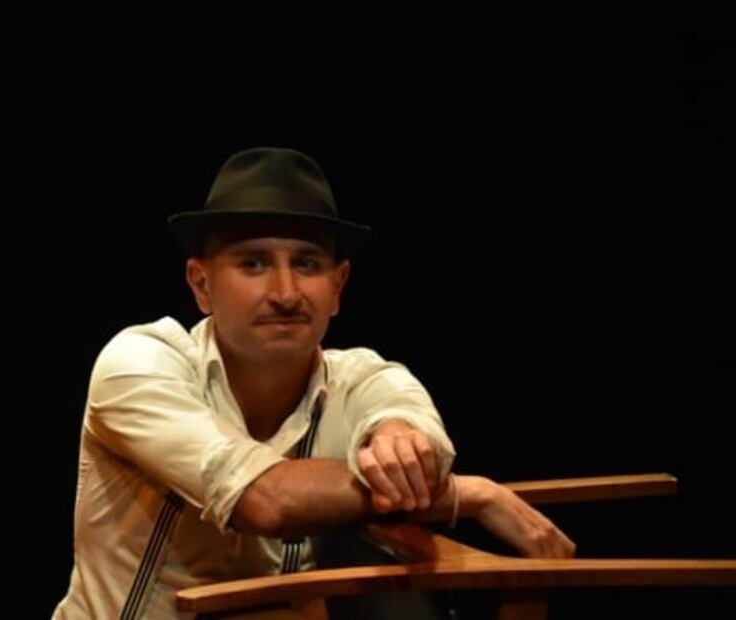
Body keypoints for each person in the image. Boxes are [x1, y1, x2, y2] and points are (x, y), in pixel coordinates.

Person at [52, 147, 575, 619]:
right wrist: (465, 494)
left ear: (338, 286)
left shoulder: (365, 378)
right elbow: (266, 501)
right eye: (253, 263)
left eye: (306, 264)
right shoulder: (140, 362)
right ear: (201, 283)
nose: (285, 293)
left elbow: (413, 434)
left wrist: (406, 451)